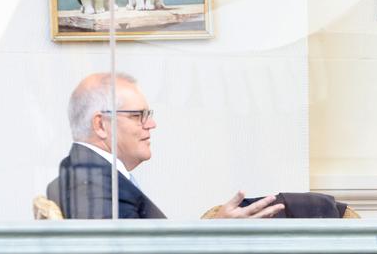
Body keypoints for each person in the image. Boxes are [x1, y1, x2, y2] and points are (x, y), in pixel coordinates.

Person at [48, 72, 284, 219]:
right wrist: (217, 235)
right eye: (137, 116)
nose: (151, 124)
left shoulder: (86, 174)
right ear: (100, 124)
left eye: (148, 114)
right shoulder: (93, 184)